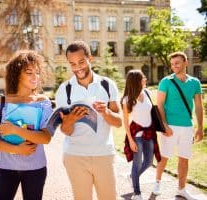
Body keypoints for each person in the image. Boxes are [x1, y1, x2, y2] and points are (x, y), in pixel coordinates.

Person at [55, 41, 122, 200]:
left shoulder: (107, 85)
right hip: (75, 155)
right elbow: (65, 131)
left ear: (90, 58)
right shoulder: (64, 90)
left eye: (81, 62)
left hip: (103, 154)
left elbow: (119, 122)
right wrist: (70, 120)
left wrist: (105, 112)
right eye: (73, 64)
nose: (77, 67)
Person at [0, 50, 53, 200]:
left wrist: (15, 130)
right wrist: (17, 149)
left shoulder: (43, 102)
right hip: (6, 168)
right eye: (29, 72)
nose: (35, 76)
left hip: (36, 168)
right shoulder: (0, 102)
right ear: (17, 74)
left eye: (37, 72)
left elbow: (46, 138)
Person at [152, 52, 203, 200]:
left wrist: (200, 127)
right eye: (172, 64)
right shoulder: (166, 82)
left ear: (186, 62)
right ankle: (157, 182)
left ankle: (181, 189)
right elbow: (159, 105)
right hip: (170, 127)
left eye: (177, 63)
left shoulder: (195, 83)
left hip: (187, 126)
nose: (174, 66)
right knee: (164, 156)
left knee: (184, 159)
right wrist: (164, 125)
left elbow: (199, 106)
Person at [121, 69, 161, 200]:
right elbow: (126, 122)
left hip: (149, 134)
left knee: (149, 162)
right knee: (136, 164)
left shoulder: (147, 93)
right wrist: (131, 141)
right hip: (136, 136)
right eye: (142, 77)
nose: (145, 79)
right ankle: (137, 193)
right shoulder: (127, 100)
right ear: (136, 81)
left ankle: (132, 176)